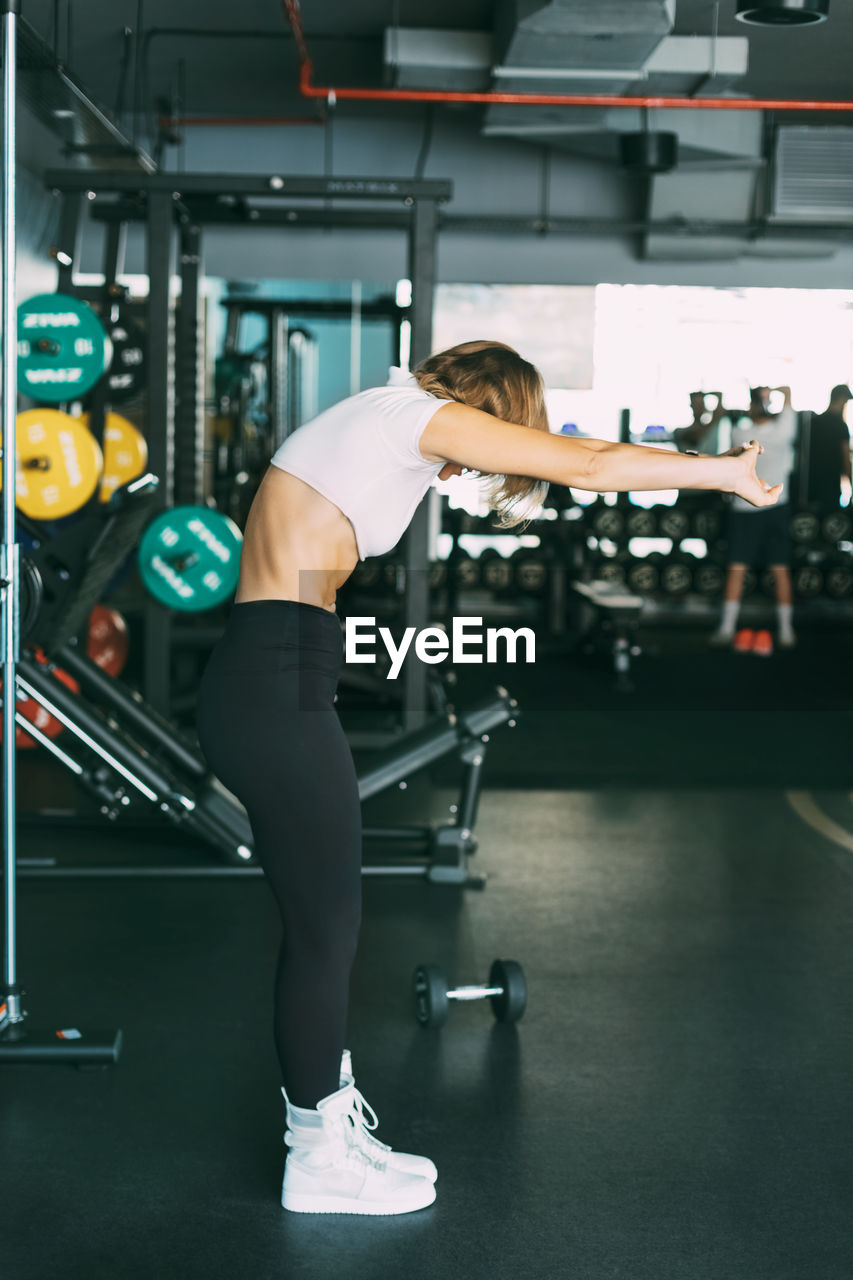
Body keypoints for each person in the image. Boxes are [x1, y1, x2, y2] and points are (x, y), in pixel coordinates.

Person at [194, 340, 782, 1218]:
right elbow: (587, 461)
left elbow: (306, 567)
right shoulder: (409, 419)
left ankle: (327, 1125)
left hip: (278, 669)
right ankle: (315, 1158)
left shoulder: (378, 425)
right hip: (273, 684)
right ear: (489, 407)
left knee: (331, 920)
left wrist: (309, 647)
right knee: (327, 927)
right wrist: (719, 473)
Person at [709, 385, 797, 652]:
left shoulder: (741, 433)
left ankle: (726, 628)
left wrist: (756, 400)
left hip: (745, 511)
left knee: (737, 568)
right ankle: (786, 631)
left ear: (752, 408)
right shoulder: (783, 431)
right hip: (775, 507)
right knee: (780, 569)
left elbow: (737, 421)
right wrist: (778, 393)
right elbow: (788, 405)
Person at [805, 384, 852, 511]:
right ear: (842, 399)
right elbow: (846, 460)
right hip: (831, 485)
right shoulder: (840, 426)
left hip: (811, 485)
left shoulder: (814, 422)